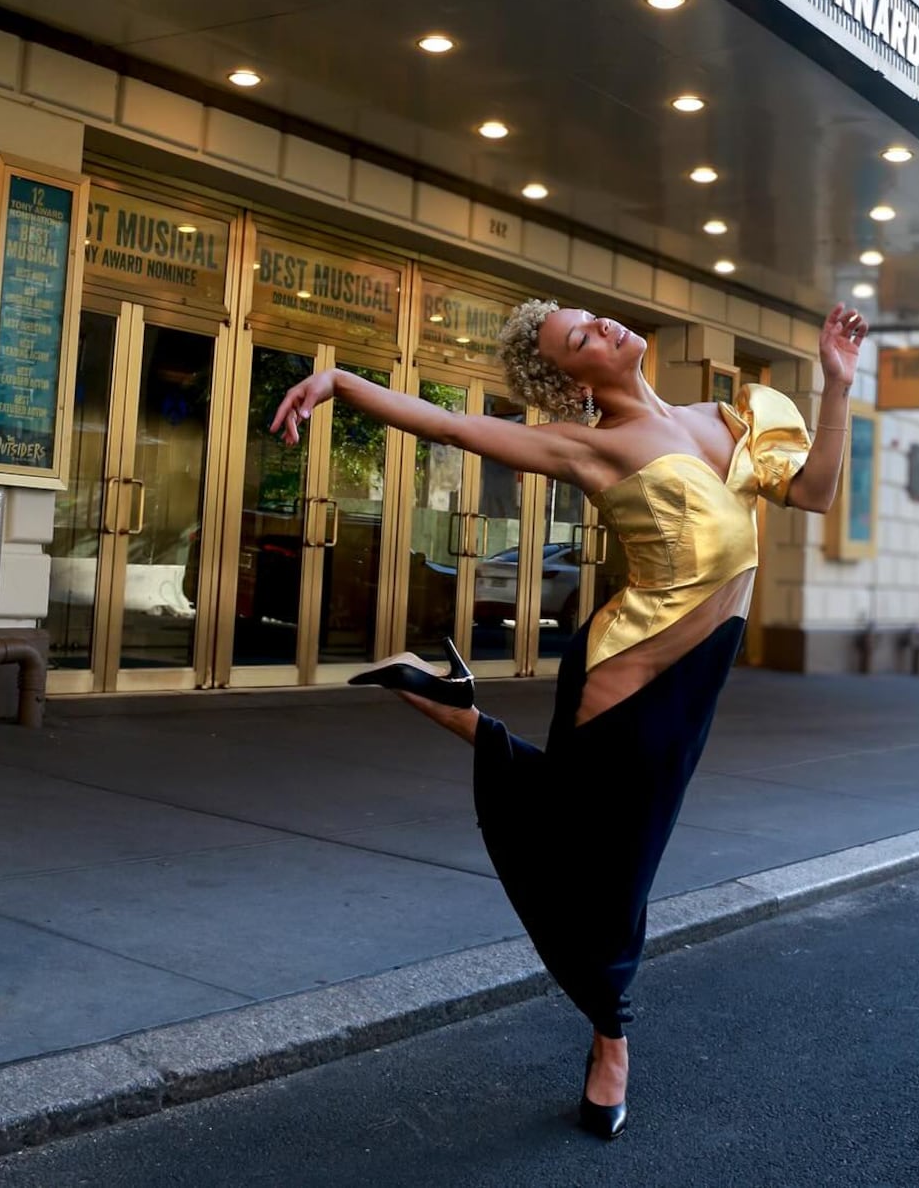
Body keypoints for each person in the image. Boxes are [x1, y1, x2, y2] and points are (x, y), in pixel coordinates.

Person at [271, 299, 867, 1141]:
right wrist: (338, 381)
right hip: (626, 672)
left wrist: (837, 383)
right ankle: (611, 1041)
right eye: (579, 341)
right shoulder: (584, 447)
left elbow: (813, 491)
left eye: (596, 321)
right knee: (617, 865)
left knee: (594, 835)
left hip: (695, 676)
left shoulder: (721, 418)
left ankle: (450, 706)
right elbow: (450, 426)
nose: (606, 333)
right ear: (569, 378)